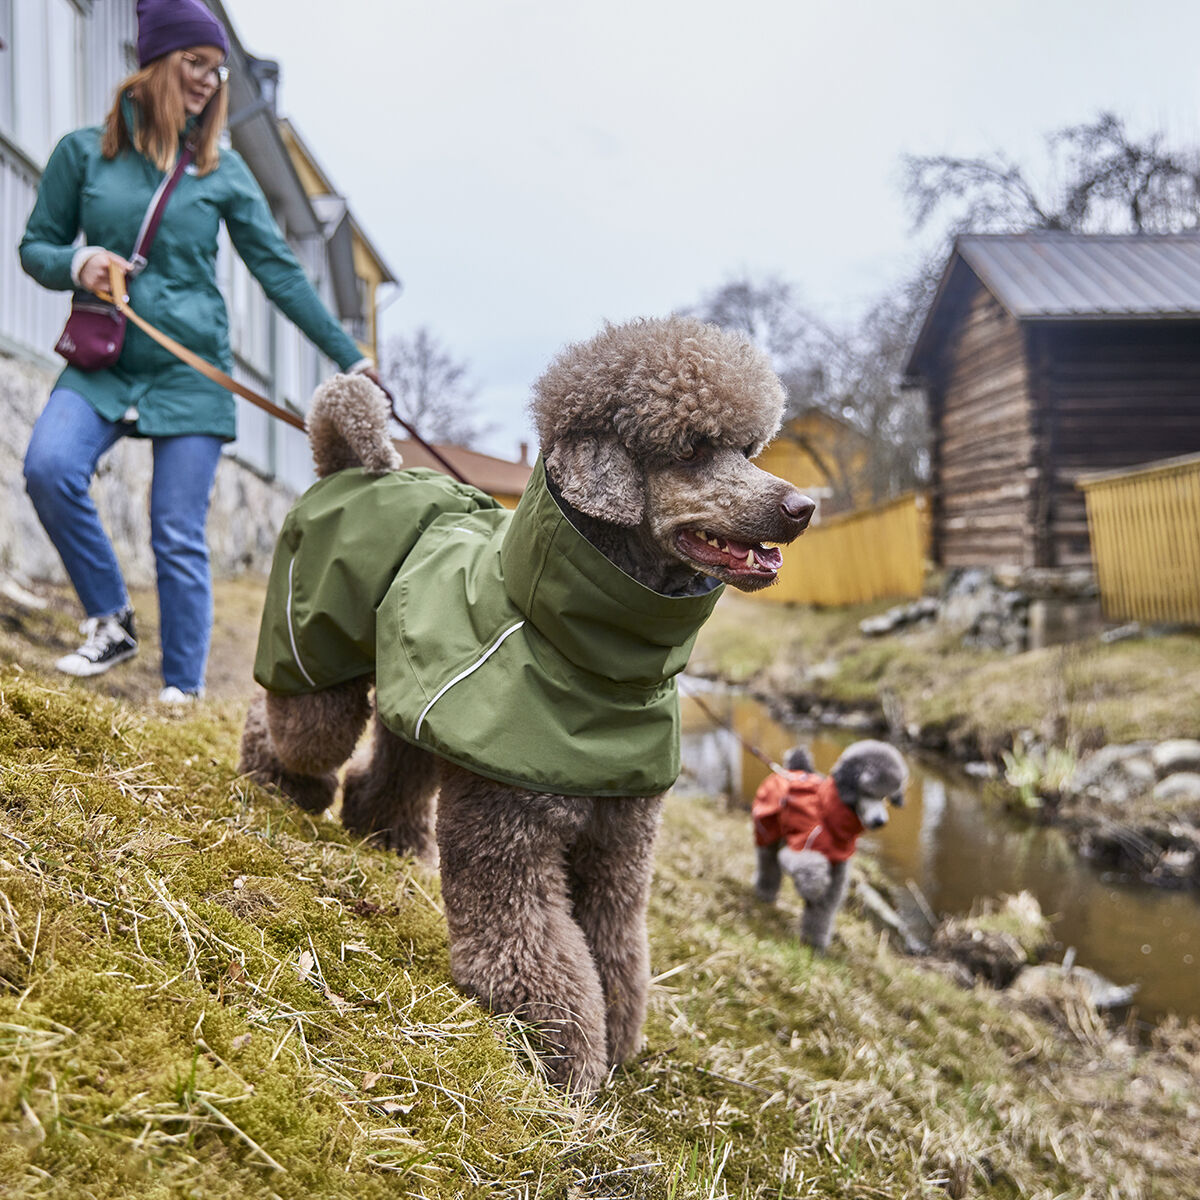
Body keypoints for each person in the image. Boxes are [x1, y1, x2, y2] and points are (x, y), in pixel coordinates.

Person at [18, 0, 377, 703]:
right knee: (48, 466)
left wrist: (351, 357)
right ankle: (111, 618)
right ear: (155, 63)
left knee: (176, 531)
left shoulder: (223, 170)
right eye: (196, 64)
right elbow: (37, 245)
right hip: (106, 355)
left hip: (189, 368)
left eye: (218, 70)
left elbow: (278, 270)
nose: (211, 81)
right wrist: (80, 260)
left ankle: (181, 690)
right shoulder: (82, 154)